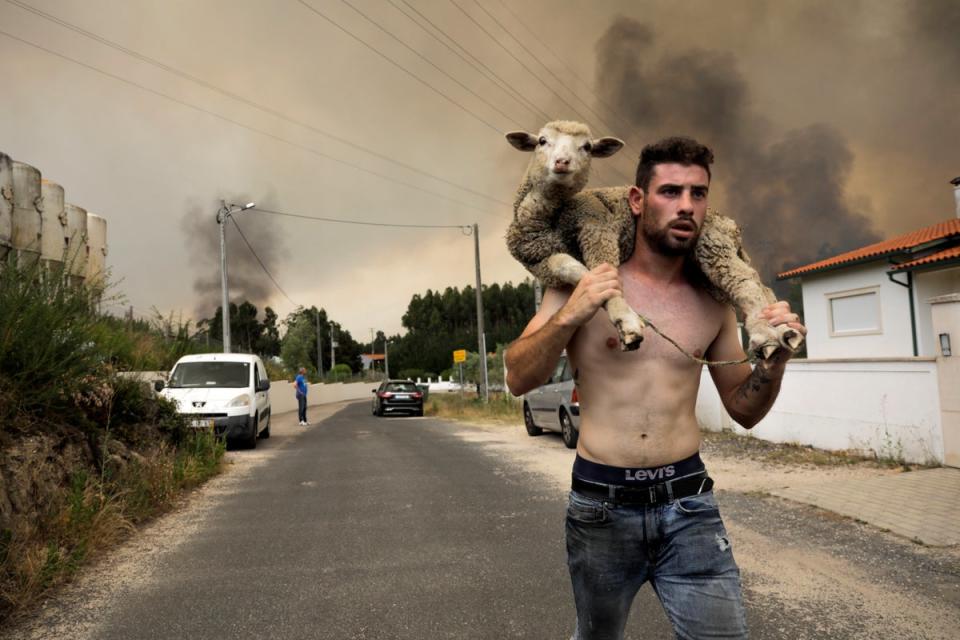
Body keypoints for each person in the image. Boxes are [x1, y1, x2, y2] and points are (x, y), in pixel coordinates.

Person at [505, 137, 806, 640]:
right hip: (600, 506)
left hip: (688, 504)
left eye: (697, 193)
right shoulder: (582, 282)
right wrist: (574, 312)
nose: (686, 205)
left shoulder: (711, 300)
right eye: (670, 191)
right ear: (637, 200)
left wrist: (774, 365)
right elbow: (518, 376)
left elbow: (743, 410)